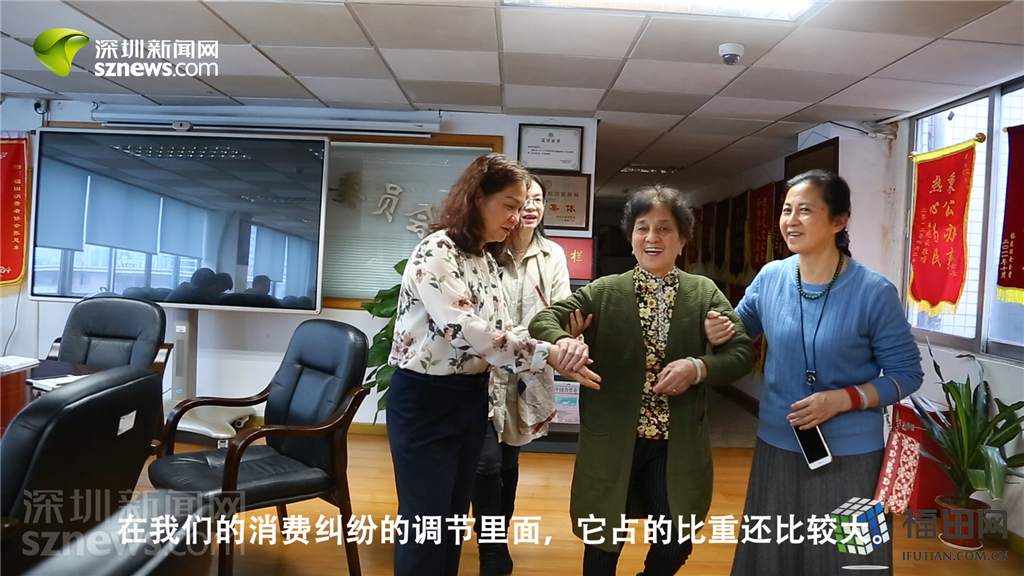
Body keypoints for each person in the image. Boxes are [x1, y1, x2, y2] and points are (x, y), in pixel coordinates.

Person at [386, 153, 598, 576]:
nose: (518, 217)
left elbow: (505, 328)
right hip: (426, 400)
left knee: (450, 521)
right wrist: (549, 354)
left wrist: (557, 350)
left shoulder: (483, 258)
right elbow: (467, 330)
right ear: (478, 198)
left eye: (524, 207)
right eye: (510, 205)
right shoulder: (437, 250)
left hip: (469, 397)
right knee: (425, 523)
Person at [705, 170, 923, 576]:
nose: (791, 220)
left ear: (839, 221)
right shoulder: (771, 278)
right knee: (772, 558)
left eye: (805, 211)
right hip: (777, 443)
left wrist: (844, 399)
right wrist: (718, 332)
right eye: (786, 210)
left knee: (851, 562)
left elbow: (906, 374)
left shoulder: (874, 292)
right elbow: (738, 332)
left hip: (851, 454)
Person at [530, 185, 753, 576]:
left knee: (676, 539)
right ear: (631, 238)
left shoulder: (703, 293)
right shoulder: (604, 291)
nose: (653, 237)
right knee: (603, 540)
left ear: (682, 240)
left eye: (665, 228)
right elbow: (543, 320)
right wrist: (564, 341)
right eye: (643, 228)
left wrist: (698, 368)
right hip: (613, 438)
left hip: (675, 441)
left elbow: (741, 353)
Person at [473, 174, 575, 576]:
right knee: (486, 462)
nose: (530, 207)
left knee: (509, 458)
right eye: (522, 200)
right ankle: (491, 550)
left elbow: (561, 310)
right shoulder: (486, 249)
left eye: (537, 200)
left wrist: (564, 336)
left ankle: (498, 535)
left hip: (528, 373)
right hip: (485, 371)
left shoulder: (552, 254)